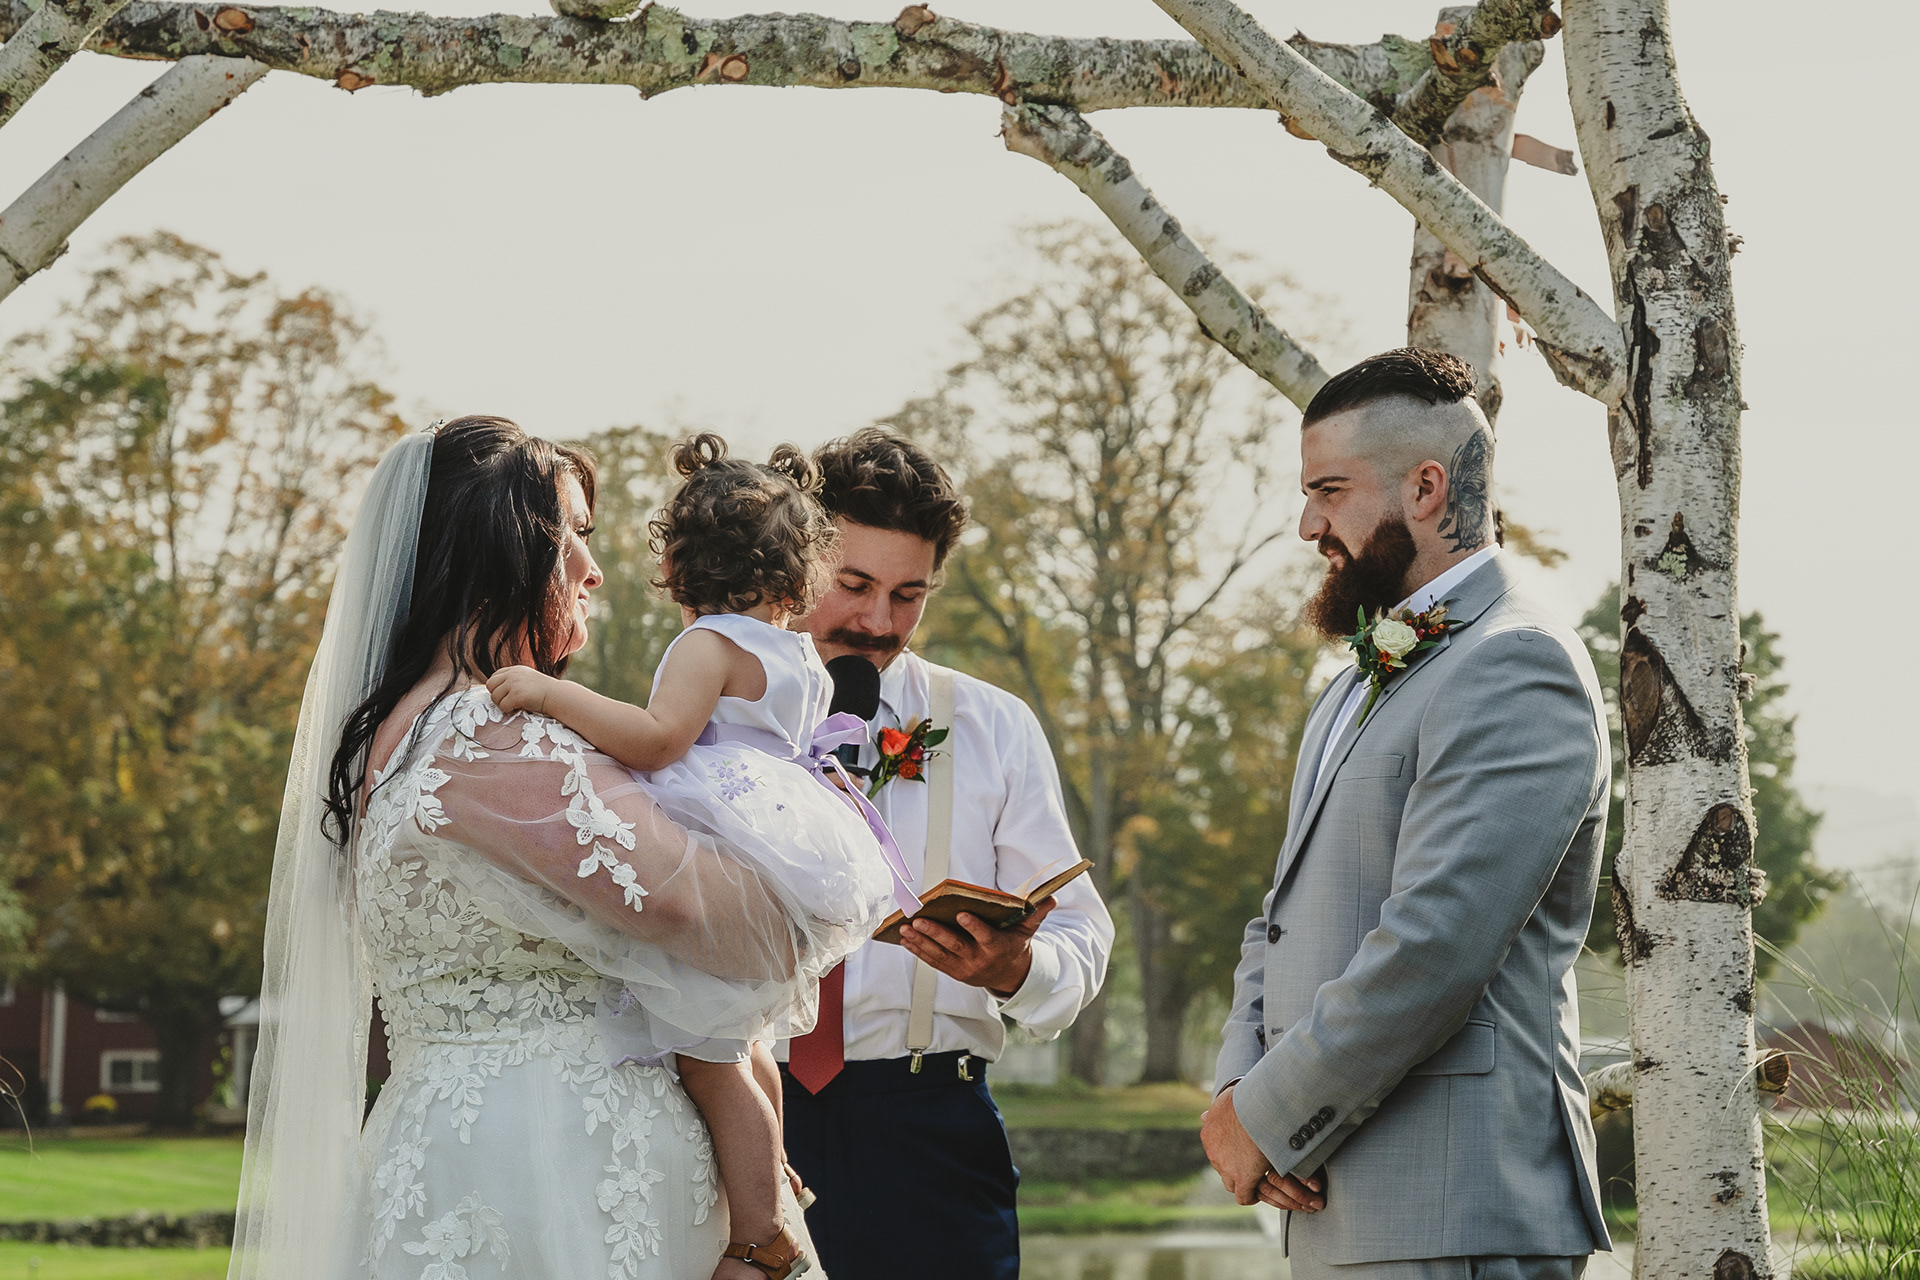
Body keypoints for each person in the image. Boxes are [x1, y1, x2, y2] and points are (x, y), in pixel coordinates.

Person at [231, 417, 847, 1280]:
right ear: (502, 554)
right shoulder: (490, 735)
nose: (595, 570)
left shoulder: (396, 736)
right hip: (560, 1169)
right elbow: (718, 920)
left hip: (452, 1147)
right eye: (574, 536)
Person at [1203, 349, 1612, 1279]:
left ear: (1426, 488)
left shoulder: (1517, 663)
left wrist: (1265, 1117)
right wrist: (1237, 1089)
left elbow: (1436, 944)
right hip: (1342, 1204)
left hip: (1458, 1210)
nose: (1309, 524)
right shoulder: (1352, 684)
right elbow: (1280, 918)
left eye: (1330, 492)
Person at [488, 433, 914, 1280]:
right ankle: (777, 1172)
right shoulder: (799, 653)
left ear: (682, 565)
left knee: (707, 1058)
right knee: (746, 1039)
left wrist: (553, 695)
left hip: (728, 845)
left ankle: (760, 1233)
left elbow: (657, 739)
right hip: (790, 856)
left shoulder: (709, 644)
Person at [777, 427, 1115, 1280]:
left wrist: (1015, 969)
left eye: (909, 595)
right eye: (854, 585)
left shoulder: (995, 726)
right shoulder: (711, 716)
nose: (878, 622)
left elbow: (1081, 935)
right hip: (747, 1113)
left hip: (929, 1132)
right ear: (796, 563)